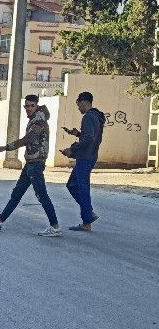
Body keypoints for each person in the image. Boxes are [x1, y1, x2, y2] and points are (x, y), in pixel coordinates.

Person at [0, 95, 61, 237]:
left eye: (32, 105)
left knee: (41, 195)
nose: (28, 108)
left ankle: (55, 226)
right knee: (17, 193)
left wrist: (6, 147)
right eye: (26, 106)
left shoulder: (39, 119)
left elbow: (28, 139)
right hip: (30, 163)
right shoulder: (35, 118)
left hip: (36, 163)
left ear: (36, 106)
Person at [60, 91, 106, 232]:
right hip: (90, 156)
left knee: (82, 187)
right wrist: (76, 134)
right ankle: (89, 213)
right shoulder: (97, 117)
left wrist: (72, 149)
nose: (78, 108)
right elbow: (89, 136)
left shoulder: (88, 117)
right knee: (72, 185)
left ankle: (87, 221)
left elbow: (89, 139)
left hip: (85, 157)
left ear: (84, 103)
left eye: (79, 105)